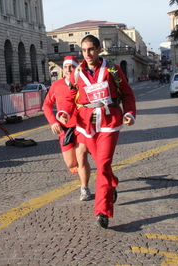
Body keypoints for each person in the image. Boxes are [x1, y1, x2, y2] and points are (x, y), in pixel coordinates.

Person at [58, 35, 136, 229]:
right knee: (101, 164)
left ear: (99, 49)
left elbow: (126, 93)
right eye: (84, 50)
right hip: (87, 125)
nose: (88, 54)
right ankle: (113, 182)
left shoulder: (112, 70)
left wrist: (130, 113)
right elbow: (70, 96)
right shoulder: (77, 73)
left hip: (109, 122)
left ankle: (102, 210)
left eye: (91, 49)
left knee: (102, 165)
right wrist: (64, 113)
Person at [43, 56, 92, 201]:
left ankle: (85, 188)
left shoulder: (83, 83)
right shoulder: (56, 85)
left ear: (77, 68)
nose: (68, 70)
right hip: (65, 128)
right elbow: (46, 105)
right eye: (65, 67)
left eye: (71, 66)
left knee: (81, 157)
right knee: (71, 163)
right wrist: (53, 122)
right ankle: (79, 166)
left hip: (81, 126)